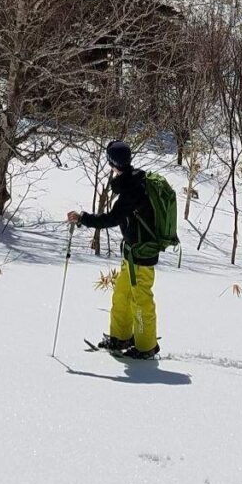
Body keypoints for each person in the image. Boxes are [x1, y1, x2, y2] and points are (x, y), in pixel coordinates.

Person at [67, 141, 160, 359]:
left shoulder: (132, 189)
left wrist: (83, 219)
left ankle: (146, 346)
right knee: (122, 294)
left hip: (142, 253)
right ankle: (121, 337)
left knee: (141, 299)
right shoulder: (132, 180)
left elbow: (112, 218)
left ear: (112, 163)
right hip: (132, 251)